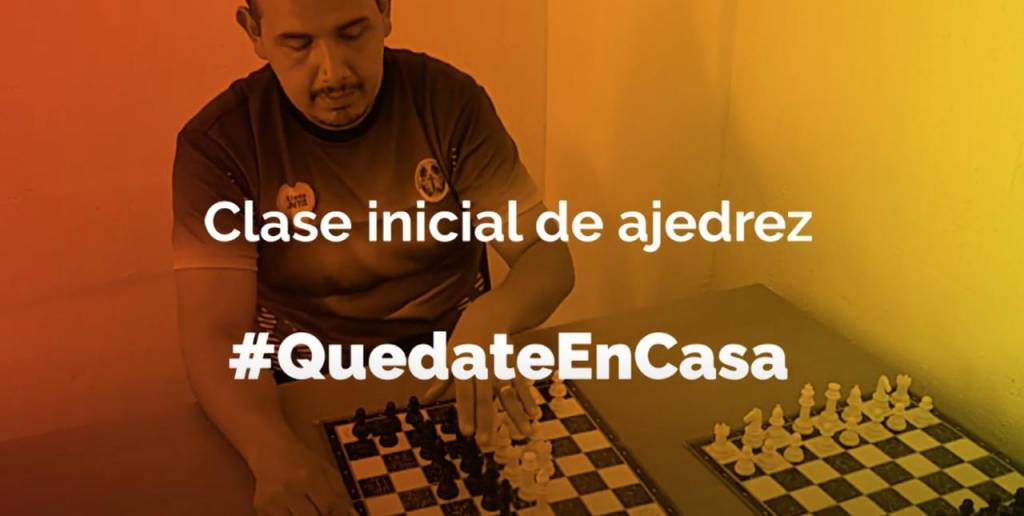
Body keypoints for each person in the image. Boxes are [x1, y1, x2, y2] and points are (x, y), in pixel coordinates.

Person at [171, 0, 574, 514]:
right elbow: (215, 334)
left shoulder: (448, 100)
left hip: (451, 372)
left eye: (351, 32)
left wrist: (493, 316)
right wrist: (270, 453)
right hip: (303, 388)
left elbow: (546, 254)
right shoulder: (220, 143)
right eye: (298, 43)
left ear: (385, 11)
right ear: (253, 31)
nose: (332, 71)